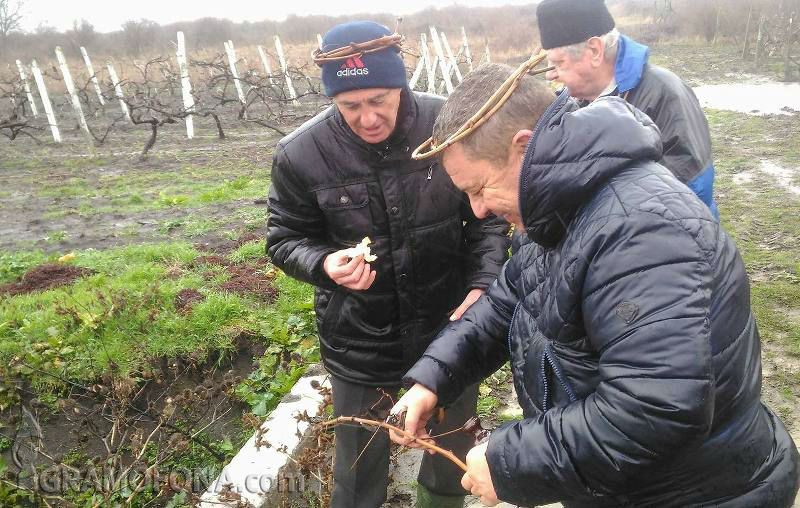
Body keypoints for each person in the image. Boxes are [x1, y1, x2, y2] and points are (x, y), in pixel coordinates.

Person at [389, 63, 800, 508]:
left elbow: (656, 408)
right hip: (620, 485)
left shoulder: (641, 231)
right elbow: (506, 303)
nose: (479, 210)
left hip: (693, 493)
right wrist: (433, 378)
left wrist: (510, 462)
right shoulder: (558, 209)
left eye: (480, 188)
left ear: (524, 148)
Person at [265, 21, 510, 508]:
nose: (368, 116)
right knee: (358, 470)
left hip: (450, 329)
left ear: (400, 84)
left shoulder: (447, 128)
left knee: (451, 453)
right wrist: (324, 263)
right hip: (360, 341)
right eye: (350, 106)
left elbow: (488, 219)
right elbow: (284, 238)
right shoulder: (301, 153)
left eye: (379, 99)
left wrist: (484, 282)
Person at [537, 0, 719, 218]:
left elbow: (692, 186)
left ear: (595, 50)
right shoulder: (578, 102)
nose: (550, 75)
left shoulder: (665, 94)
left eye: (559, 63)